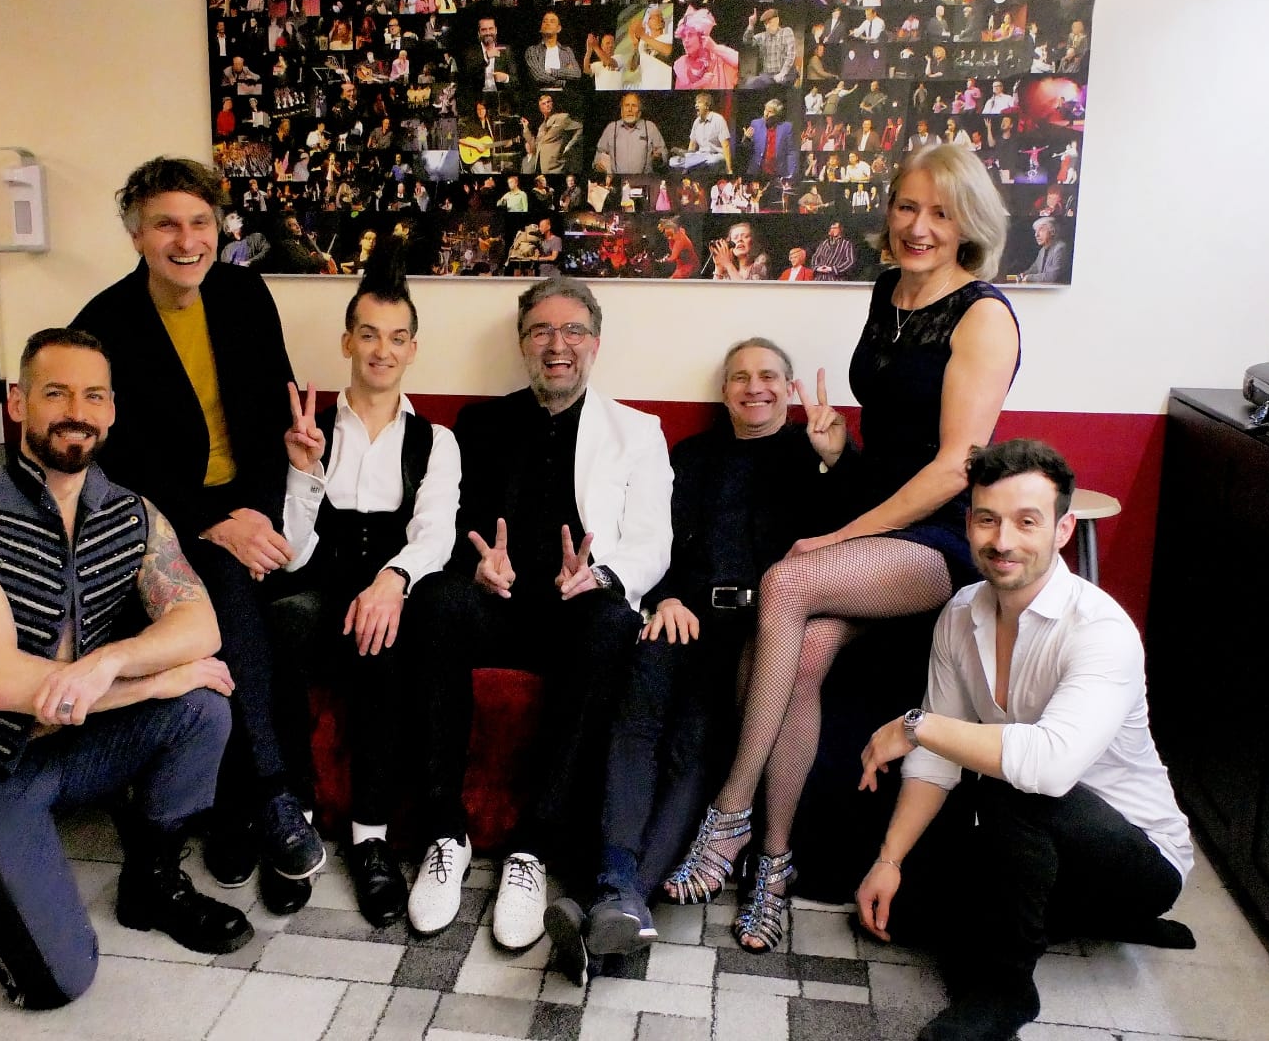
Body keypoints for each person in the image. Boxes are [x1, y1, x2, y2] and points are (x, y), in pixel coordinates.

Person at [662, 144, 1021, 956]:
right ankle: (773, 865)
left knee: (785, 583)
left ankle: (727, 815)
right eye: (906, 206)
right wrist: (838, 455)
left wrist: (841, 535)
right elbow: (892, 443)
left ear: (968, 221)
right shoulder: (887, 289)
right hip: (878, 517)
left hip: (940, 534)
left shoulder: (983, 315)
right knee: (806, 653)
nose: (918, 226)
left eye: (938, 212)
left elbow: (953, 466)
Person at [0, 328, 251, 1008]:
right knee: (59, 982)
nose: (76, 411)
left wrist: (112, 659)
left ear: (112, 410)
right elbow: (2, 685)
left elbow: (200, 625)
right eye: (56, 393)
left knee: (203, 704)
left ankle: (152, 884)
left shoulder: (132, 513)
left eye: (93, 395)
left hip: (76, 747)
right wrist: (155, 679)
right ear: (18, 402)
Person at [855, 440, 1192, 1041]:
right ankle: (1074, 922)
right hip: (1032, 844)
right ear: (969, 524)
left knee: (1016, 780)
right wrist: (890, 861)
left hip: (1137, 856)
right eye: (987, 519)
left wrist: (914, 724)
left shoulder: (1101, 630)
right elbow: (937, 762)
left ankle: (1006, 992)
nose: (1003, 540)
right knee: (903, 914)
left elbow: (1048, 766)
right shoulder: (961, 613)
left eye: (1026, 522)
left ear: (1063, 529)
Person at [541, 338, 847, 981]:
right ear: (724, 391)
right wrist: (670, 596)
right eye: (740, 377)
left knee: (694, 742)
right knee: (636, 721)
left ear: (789, 388)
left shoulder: (811, 454)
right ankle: (620, 893)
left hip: (765, 632)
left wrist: (835, 461)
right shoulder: (693, 455)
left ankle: (618, 897)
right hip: (685, 614)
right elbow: (661, 538)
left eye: (769, 376)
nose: (754, 387)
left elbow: (845, 543)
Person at [68, 158, 321, 919]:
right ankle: (272, 796)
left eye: (200, 222)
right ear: (136, 235)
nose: (187, 240)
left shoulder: (245, 294)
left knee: (278, 610)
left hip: (253, 508)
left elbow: (274, 416)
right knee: (229, 591)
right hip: (160, 523)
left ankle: (236, 811)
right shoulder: (103, 324)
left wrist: (257, 516)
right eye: (166, 225)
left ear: (219, 227)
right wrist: (215, 523)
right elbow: (115, 460)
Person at [402, 277, 673, 946]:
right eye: (541, 331)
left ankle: (532, 848)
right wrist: (474, 566)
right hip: (494, 603)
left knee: (614, 623)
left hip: (575, 610)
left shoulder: (637, 432)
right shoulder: (478, 425)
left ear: (595, 343)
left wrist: (600, 575)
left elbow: (653, 540)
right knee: (433, 601)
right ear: (522, 344)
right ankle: (445, 834)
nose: (557, 345)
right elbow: (452, 522)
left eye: (572, 330)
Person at [273, 253, 461, 929]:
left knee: (384, 635)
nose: (383, 350)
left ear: (412, 349)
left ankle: (369, 838)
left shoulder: (436, 441)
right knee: (285, 621)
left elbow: (436, 534)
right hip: (319, 586)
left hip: (391, 589)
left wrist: (392, 581)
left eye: (397, 337)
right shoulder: (309, 429)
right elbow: (292, 552)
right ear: (347, 341)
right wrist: (304, 472)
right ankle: (291, 823)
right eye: (370, 334)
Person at [592, 92, 667, 175]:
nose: (630, 109)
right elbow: (599, 154)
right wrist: (599, 166)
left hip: (644, 179)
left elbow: (663, 153)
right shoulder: (611, 128)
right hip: (617, 180)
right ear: (622, 110)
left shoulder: (650, 127)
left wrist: (659, 158)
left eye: (634, 106)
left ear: (639, 111)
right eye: (627, 105)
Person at [674, 7, 739, 89]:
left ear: (702, 37)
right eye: (683, 36)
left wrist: (714, 47)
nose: (685, 40)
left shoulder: (720, 59)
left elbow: (740, 62)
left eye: (690, 35)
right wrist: (699, 83)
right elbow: (679, 91)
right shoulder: (682, 63)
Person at [521, 92, 584, 175]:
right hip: (541, 167)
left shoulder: (562, 118)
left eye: (548, 102)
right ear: (540, 108)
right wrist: (526, 128)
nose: (547, 105)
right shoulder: (541, 127)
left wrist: (569, 146)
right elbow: (534, 148)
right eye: (543, 104)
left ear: (552, 104)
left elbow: (580, 127)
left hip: (556, 167)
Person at [669, 92, 732, 173]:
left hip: (715, 155)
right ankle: (692, 162)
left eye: (699, 102)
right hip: (699, 155)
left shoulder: (718, 119)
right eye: (696, 103)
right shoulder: (696, 122)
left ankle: (692, 162)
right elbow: (692, 144)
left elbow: (726, 145)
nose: (696, 105)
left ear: (707, 106)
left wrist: (729, 169)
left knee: (712, 160)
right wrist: (687, 166)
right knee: (672, 161)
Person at [525, 10, 583, 89]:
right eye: (544, 21)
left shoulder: (566, 51)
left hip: (564, 93)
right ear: (541, 28)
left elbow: (577, 73)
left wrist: (551, 71)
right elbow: (538, 76)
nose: (547, 23)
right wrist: (562, 80)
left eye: (552, 21)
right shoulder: (532, 51)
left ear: (559, 28)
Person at [743, 97, 795, 181]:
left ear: (777, 114)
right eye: (765, 110)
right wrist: (747, 138)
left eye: (770, 112)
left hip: (777, 172)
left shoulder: (786, 127)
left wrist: (790, 172)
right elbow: (748, 148)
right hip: (757, 170)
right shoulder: (755, 124)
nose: (766, 114)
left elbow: (790, 151)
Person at [623, 3, 673, 90]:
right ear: (647, 23)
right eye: (654, 17)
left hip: (666, 87)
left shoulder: (669, 37)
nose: (659, 18)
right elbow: (632, 67)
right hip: (647, 88)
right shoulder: (642, 43)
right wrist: (635, 45)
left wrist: (643, 35)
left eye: (660, 16)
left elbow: (669, 52)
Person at [742, 8, 796, 88]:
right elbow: (747, 42)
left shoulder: (786, 32)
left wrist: (782, 73)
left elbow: (791, 54)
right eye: (765, 24)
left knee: (782, 83)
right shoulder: (762, 36)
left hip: (785, 74)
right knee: (750, 83)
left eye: (770, 22)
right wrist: (751, 25)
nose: (767, 26)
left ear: (777, 21)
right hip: (768, 75)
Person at [465, 15, 515, 92]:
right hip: (479, 97)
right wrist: (486, 56)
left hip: (500, 96)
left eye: (491, 29)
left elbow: (516, 81)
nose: (488, 33)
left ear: (496, 30)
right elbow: (468, 78)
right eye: (484, 30)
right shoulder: (471, 53)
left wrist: (505, 78)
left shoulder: (506, 50)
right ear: (479, 33)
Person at [1016, 216, 1070, 283]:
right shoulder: (1042, 250)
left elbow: (1052, 277)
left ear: (1052, 232)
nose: (1036, 235)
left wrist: (1029, 277)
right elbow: (1034, 269)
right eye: (1036, 231)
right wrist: (1023, 275)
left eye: (1041, 230)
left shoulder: (1060, 248)